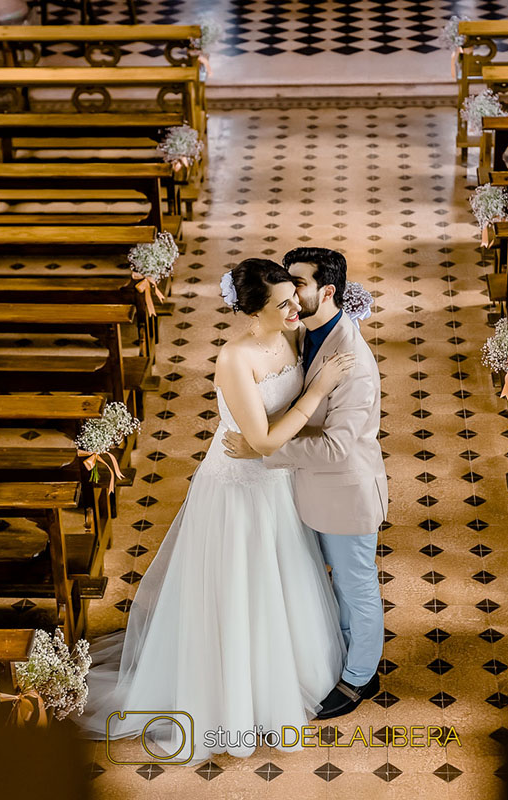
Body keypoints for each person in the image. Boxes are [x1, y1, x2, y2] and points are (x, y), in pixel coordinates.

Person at [74, 258, 356, 764]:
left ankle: (279, 675)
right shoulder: (234, 359)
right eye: (283, 304)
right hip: (238, 492)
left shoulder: (289, 335)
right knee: (238, 590)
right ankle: (230, 699)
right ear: (254, 312)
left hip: (278, 486)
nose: (295, 308)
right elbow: (263, 439)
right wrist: (316, 391)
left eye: (295, 296)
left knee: (280, 579)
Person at [222, 246, 388, 720]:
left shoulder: (351, 359)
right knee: (322, 585)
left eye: (298, 285)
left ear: (327, 291)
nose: (289, 294)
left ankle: (360, 678)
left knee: (356, 589)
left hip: (344, 493)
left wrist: (264, 448)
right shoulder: (303, 332)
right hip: (304, 490)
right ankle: (334, 656)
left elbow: (337, 448)